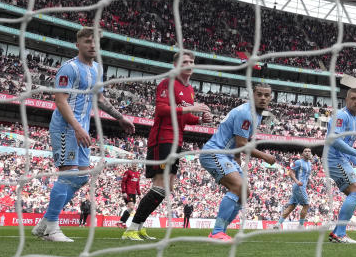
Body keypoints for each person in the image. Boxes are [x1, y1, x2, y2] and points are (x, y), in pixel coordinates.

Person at [32, 27, 136, 242]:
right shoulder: (68, 68)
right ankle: (51, 228)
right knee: (69, 175)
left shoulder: (97, 68)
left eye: (95, 42)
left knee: (81, 177)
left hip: (82, 129)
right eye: (88, 41)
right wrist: (78, 128)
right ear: (78, 44)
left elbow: (99, 98)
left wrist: (119, 117)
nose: (93, 45)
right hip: (66, 127)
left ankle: (45, 221)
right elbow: (60, 100)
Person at [123, 50, 211, 241]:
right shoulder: (168, 83)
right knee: (161, 185)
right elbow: (162, 109)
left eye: (192, 61)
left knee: (167, 187)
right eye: (185, 61)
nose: (189, 64)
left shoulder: (189, 89)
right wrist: (191, 108)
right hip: (163, 138)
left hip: (176, 141)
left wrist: (200, 120)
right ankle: (131, 228)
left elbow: (185, 117)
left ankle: (139, 226)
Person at [199, 83, 278, 242]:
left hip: (227, 156)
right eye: (259, 94)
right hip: (215, 152)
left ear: (271, 98)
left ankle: (221, 231)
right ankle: (217, 232)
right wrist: (265, 157)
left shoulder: (256, 115)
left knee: (244, 193)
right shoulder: (246, 114)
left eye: (266, 95)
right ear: (252, 95)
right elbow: (242, 144)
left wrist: (236, 159)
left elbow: (237, 142)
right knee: (239, 187)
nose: (263, 98)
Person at [326, 88, 356, 244]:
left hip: (341, 160)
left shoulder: (355, 119)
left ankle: (337, 233)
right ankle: (340, 233)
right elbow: (334, 140)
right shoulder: (341, 115)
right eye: (353, 98)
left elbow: (346, 144)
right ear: (346, 100)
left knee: (354, 193)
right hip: (334, 159)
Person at [275, 148, 314, 229]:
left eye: (309, 151)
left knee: (291, 207)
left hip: (301, 186)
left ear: (310, 153)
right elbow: (291, 172)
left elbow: (306, 176)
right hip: (299, 186)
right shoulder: (298, 162)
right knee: (306, 205)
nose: (307, 153)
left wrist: (310, 182)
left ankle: (278, 224)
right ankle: (301, 226)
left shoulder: (309, 163)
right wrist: (297, 181)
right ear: (302, 153)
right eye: (305, 151)